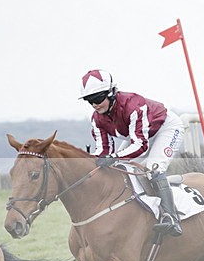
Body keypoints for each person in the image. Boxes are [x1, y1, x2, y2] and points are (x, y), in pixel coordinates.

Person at [79, 69, 186, 236]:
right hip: (137, 133)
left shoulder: (133, 105)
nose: (95, 105)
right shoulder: (96, 118)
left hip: (166, 129)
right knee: (116, 165)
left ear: (111, 92)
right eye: (89, 101)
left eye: (98, 98)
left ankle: (170, 218)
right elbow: (103, 150)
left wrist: (113, 157)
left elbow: (140, 145)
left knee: (154, 167)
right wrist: (93, 160)